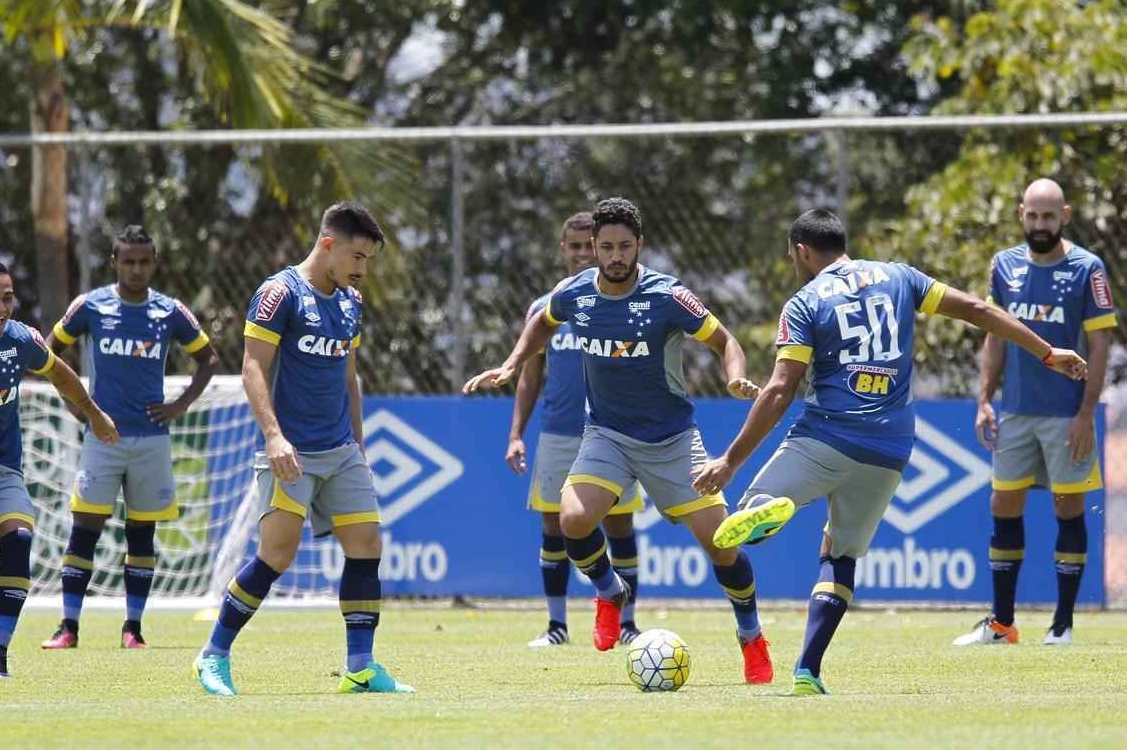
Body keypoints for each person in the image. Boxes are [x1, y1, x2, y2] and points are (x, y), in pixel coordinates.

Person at [692, 208, 1087, 696]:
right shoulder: (900, 277)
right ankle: (807, 670)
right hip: (889, 448)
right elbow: (978, 311)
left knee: (753, 503)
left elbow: (779, 389)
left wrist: (729, 460)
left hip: (826, 434)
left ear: (801, 251)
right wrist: (1048, 352)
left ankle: (766, 507)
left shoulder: (804, 302)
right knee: (840, 556)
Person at [466, 197, 775, 685]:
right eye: (605, 246)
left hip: (672, 440)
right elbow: (543, 321)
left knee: (722, 547)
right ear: (592, 247)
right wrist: (511, 363)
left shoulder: (668, 296)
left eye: (624, 247)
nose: (614, 256)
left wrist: (735, 377)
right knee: (571, 518)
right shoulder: (575, 294)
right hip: (607, 434)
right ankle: (610, 592)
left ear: (639, 247)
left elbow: (725, 341)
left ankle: (752, 637)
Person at [192, 202, 413, 697]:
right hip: (291, 451)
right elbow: (252, 368)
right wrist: (273, 437)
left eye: (368, 259)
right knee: (276, 556)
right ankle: (212, 656)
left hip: (341, 452)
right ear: (329, 244)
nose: (362, 268)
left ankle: (360, 666)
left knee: (366, 547)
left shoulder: (351, 301)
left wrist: (358, 442)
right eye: (357, 255)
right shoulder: (278, 294)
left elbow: (349, 376)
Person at [0, 259, 119, 678]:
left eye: (7, 298)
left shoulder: (20, 342)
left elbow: (62, 375)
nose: (0, 307)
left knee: (18, 538)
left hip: (1, 469)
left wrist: (94, 414)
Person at [41, 225, 219, 651]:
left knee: (141, 534)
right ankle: (68, 627)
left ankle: (133, 628)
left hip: (151, 439)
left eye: (144, 261)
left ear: (153, 263)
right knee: (85, 528)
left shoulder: (170, 311)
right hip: (102, 437)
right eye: (128, 261)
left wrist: (180, 405)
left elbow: (208, 359)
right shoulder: (91, 306)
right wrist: (77, 406)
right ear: (114, 261)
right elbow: (49, 353)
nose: (136, 269)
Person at [955, 178, 1114, 647]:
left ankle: (1061, 625)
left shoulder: (1088, 268)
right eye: (1033, 215)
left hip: (1068, 414)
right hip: (1017, 414)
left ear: (1064, 215)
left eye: (1049, 216)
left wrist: (1087, 410)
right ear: (1021, 213)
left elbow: (1101, 345)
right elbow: (995, 335)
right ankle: (1002, 625)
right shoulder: (1004, 266)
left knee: (1069, 508)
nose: (1040, 225)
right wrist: (985, 399)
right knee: (1003, 505)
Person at [507, 211, 646, 648]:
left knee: (620, 527)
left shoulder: (623, 300)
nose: (585, 254)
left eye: (592, 245)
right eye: (577, 246)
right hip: (559, 433)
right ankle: (556, 626)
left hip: (612, 432)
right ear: (562, 250)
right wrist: (516, 434)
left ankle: (626, 623)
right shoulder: (545, 308)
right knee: (554, 527)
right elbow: (530, 378)